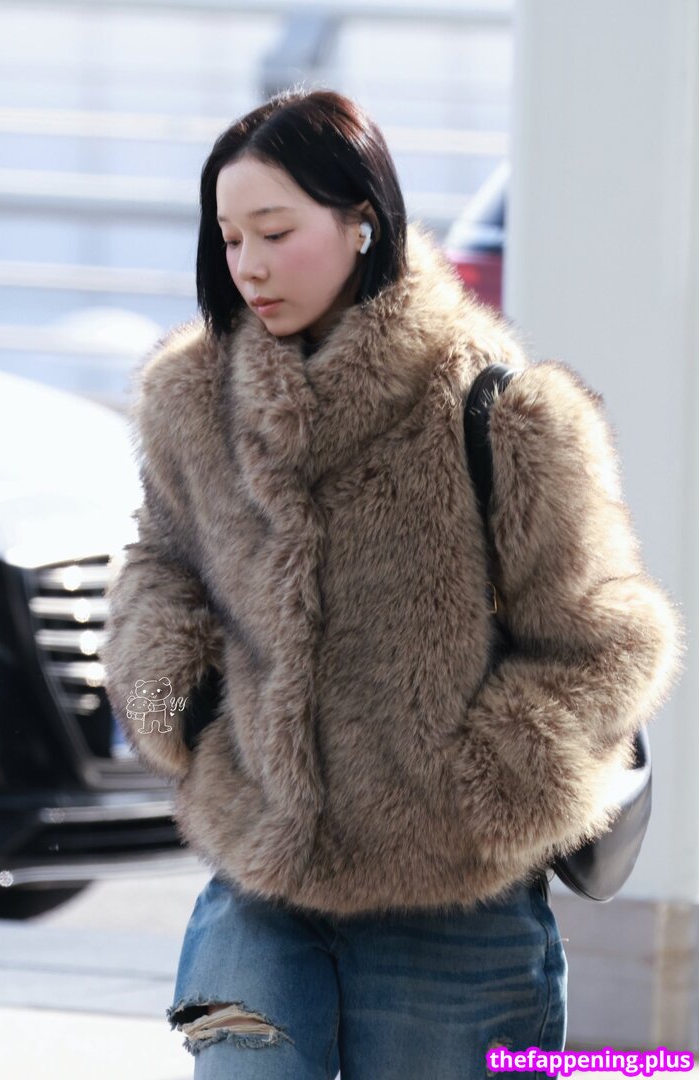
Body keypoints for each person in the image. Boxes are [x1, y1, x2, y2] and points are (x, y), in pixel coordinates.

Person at [100, 88, 685, 1080]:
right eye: (230, 238)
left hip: (452, 910)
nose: (247, 264)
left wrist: (487, 788)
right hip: (260, 891)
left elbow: (606, 641)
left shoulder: (502, 412)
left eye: (275, 232)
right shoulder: (190, 401)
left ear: (361, 221)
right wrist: (177, 706)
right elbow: (159, 568)